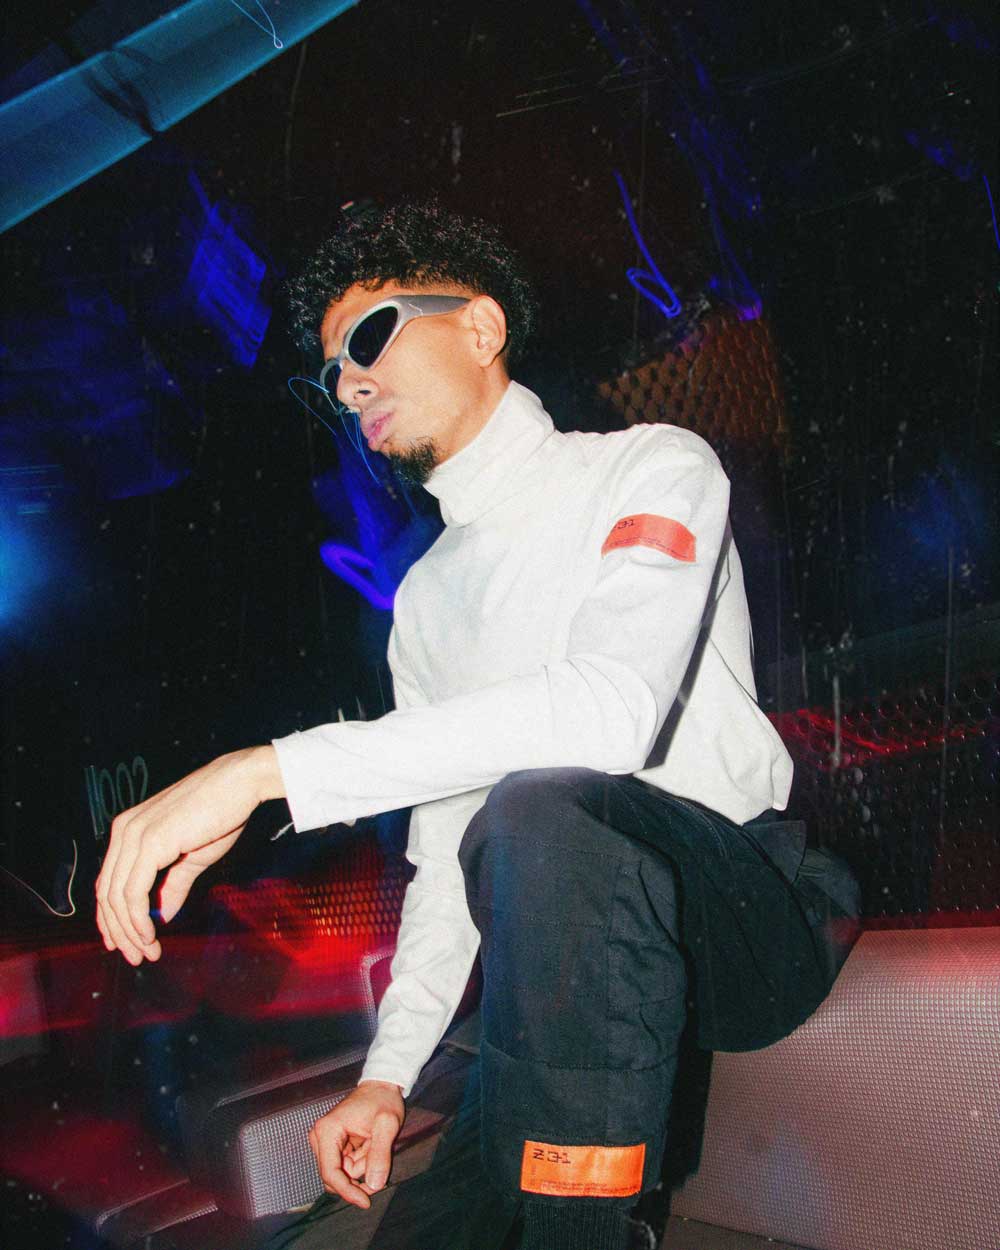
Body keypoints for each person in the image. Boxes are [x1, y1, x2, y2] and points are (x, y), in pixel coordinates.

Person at [96, 200, 850, 1250]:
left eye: (370, 338)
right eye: (332, 372)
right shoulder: (425, 600)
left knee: (542, 807)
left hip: (741, 914)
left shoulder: (652, 465)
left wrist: (264, 771)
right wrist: (386, 1077)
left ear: (482, 328)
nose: (348, 384)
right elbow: (449, 856)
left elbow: (611, 715)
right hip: (572, 964)